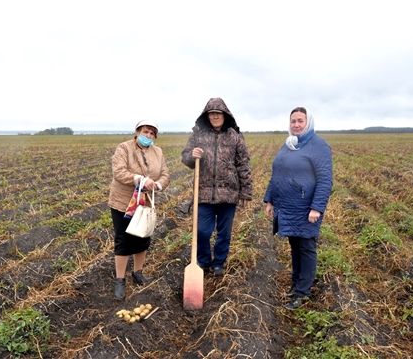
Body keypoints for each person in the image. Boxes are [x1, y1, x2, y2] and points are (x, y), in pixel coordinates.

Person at [263, 107, 333, 310]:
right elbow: (276, 175)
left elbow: (325, 181)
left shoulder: (318, 146)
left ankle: (303, 292)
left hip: (305, 208)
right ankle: (296, 285)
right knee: (295, 247)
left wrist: (317, 208)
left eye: (300, 121)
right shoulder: (289, 145)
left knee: (306, 248)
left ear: (308, 122)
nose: (296, 125)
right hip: (287, 207)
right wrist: (270, 201)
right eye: (293, 121)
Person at [181, 97, 253, 276]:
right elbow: (185, 158)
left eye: (218, 113)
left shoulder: (235, 136)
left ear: (225, 115)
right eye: (212, 113)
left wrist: (245, 192)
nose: (215, 116)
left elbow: (243, 164)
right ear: (207, 115)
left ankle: (218, 263)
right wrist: (192, 154)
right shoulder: (198, 135)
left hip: (228, 194)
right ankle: (204, 261)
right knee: (202, 232)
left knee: (224, 233)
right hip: (203, 193)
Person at [108, 120, 170, 300]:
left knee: (143, 237)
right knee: (123, 240)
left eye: (152, 133)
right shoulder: (124, 148)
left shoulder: (158, 152)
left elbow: (165, 174)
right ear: (137, 132)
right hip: (124, 202)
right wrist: (140, 180)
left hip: (145, 204)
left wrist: (157, 185)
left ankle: (138, 273)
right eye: (145, 132)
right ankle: (120, 280)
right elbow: (118, 172)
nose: (148, 136)